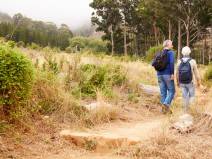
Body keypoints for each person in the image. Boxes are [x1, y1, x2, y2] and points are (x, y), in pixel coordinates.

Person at [152, 40, 175, 114]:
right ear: (168, 45)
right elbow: (171, 63)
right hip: (167, 74)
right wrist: (172, 73)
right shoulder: (170, 53)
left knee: (163, 92)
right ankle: (166, 103)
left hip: (159, 75)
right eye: (171, 44)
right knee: (172, 90)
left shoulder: (159, 53)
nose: (172, 46)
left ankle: (164, 111)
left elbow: (153, 63)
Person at [176, 46, 201, 113]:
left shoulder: (179, 61)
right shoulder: (192, 61)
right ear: (189, 52)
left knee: (184, 96)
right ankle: (191, 110)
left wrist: (177, 82)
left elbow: (177, 73)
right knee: (192, 96)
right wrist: (199, 82)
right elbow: (196, 73)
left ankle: (185, 111)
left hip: (182, 82)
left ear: (182, 53)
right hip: (191, 82)